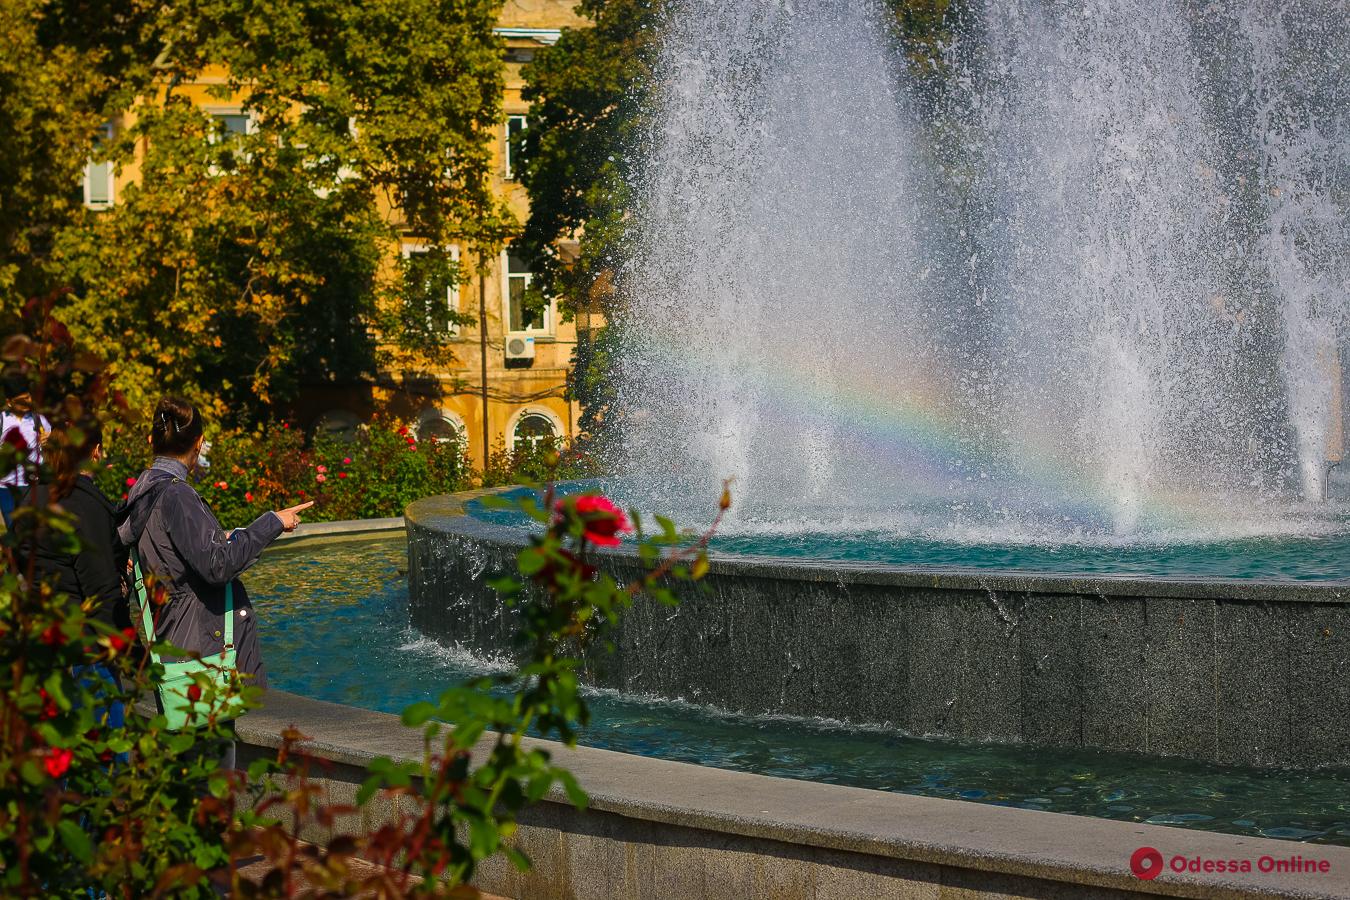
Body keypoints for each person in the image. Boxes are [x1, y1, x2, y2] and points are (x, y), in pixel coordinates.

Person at [117, 396, 311, 766]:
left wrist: (230, 536)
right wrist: (270, 523)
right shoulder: (176, 494)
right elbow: (217, 567)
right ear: (199, 442)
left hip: (173, 635)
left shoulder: (142, 489)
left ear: (150, 441)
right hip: (201, 647)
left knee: (190, 767)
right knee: (214, 774)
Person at [23, 418, 130, 741]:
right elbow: (101, 591)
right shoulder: (84, 504)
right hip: (85, 649)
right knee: (104, 755)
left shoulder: (34, 497)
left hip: (46, 640)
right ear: (95, 452)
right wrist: (133, 652)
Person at [0, 384, 52, 528]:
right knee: (13, 529)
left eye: (29, 397)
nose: (28, 401)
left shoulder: (38, 419)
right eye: (22, 400)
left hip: (34, 484)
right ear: (9, 402)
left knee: (35, 530)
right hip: (7, 488)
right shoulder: (2, 420)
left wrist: (48, 442)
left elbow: (52, 447)